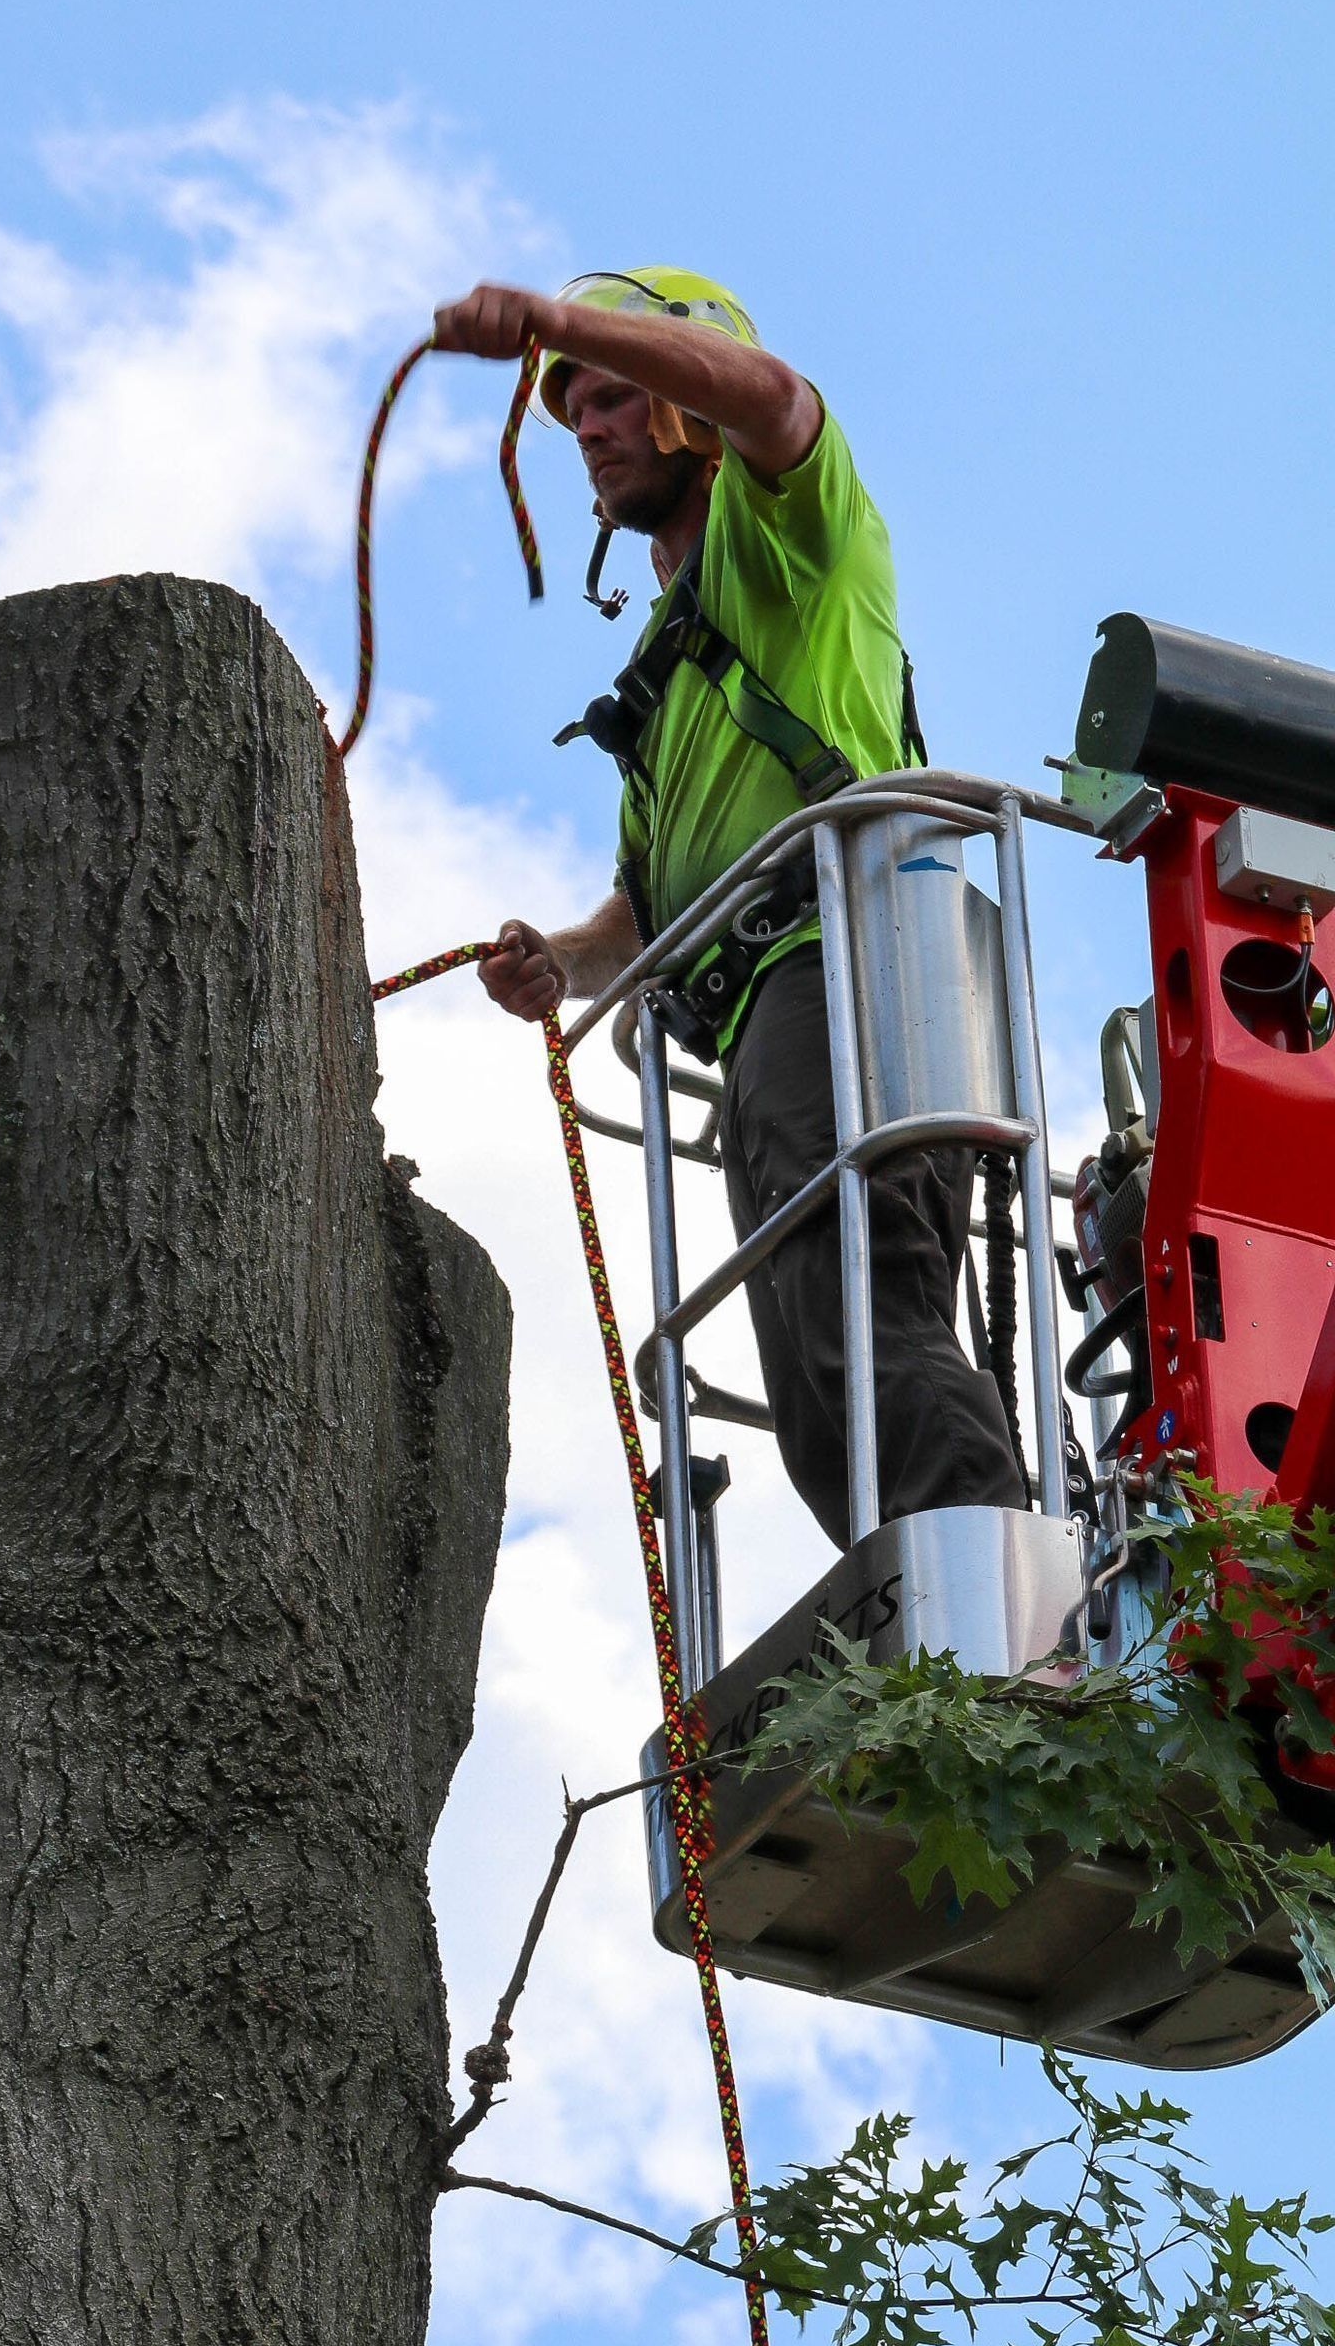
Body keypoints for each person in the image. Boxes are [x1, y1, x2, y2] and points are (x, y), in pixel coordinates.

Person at [431, 265, 1024, 1551]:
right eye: (571, 405)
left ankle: (998, 1646)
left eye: (613, 395)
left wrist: (554, 322)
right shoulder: (664, 680)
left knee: (864, 1317)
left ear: (686, 407)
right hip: (762, 1014)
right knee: (820, 1373)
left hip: (847, 961)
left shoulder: (800, 534)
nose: (584, 425)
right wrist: (564, 961)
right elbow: (642, 918)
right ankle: (918, 1636)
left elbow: (775, 396)